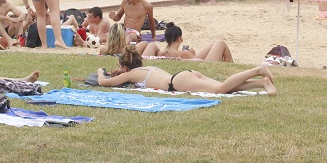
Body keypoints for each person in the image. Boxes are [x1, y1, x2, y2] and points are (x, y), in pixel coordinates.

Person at [97, 45, 277, 96]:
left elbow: (103, 82)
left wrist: (100, 70)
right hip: (185, 75)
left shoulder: (131, 74)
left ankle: (258, 70)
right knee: (226, 88)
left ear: (126, 67)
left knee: (220, 89)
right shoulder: (147, 67)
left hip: (178, 82)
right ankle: (262, 83)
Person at [158, 22, 233, 62]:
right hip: (205, 65)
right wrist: (192, 53)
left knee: (214, 44)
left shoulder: (161, 53)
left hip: (190, 60)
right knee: (220, 43)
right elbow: (196, 62)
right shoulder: (184, 53)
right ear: (179, 39)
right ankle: (231, 65)